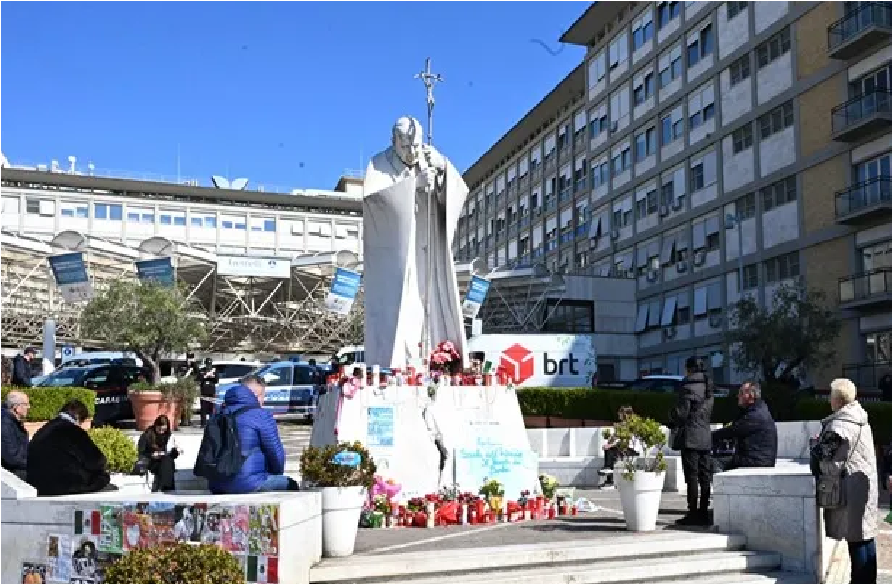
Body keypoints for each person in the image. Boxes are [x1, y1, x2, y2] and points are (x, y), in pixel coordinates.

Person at [362, 116, 469, 369]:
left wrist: (442, 170)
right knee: (405, 303)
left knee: (432, 295)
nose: (412, 152)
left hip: (429, 243)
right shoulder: (378, 165)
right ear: (393, 142)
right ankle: (401, 362)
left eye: (415, 146)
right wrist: (412, 186)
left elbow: (458, 191)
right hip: (399, 251)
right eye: (405, 146)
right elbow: (375, 202)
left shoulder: (429, 157)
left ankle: (439, 356)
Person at [810, 378, 879, 584]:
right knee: (866, 536)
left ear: (837, 401)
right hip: (864, 487)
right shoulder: (861, 419)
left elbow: (822, 456)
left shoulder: (839, 425)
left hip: (848, 489)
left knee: (855, 540)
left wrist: (814, 443)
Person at [207, 375, 297, 494]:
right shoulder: (262, 416)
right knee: (291, 484)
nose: (262, 401)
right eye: (261, 396)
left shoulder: (218, 415)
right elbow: (276, 454)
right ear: (254, 396)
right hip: (250, 484)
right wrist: (275, 474)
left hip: (216, 485)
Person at [27, 400, 111, 496]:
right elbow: (95, 460)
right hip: (65, 484)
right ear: (78, 417)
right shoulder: (73, 430)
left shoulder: (43, 429)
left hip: (37, 484)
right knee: (102, 477)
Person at [668, 356, 715, 526]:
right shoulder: (708, 386)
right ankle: (704, 511)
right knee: (705, 476)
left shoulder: (687, 386)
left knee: (692, 477)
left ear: (689, 369)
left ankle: (693, 512)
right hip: (705, 436)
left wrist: (671, 417)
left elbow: (682, 413)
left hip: (690, 437)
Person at [711, 381, 778, 472]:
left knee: (714, 462)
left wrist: (709, 436)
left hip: (756, 461)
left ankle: (718, 486)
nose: (738, 396)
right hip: (758, 458)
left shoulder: (755, 415)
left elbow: (733, 431)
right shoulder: (758, 409)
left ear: (751, 396)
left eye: (741, 393)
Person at [136, 415, 180, 492]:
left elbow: (172, 455)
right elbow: (141, 452)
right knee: (167, 463)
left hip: (164, 461)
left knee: (167, 461)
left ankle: (166, 488)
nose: (161, 432)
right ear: (155, 426)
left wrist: (175, 451)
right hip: (151, 461)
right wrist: (152, 455)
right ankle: (168, 489)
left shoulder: (168, 436)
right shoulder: (147, 435)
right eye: (159, 429)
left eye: (163, 430)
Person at [600, 406, 640, 489]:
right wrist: (610, 440)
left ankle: (609, 478)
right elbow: (615, 439)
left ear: (625, 414)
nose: (619, 416)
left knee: (610, 451)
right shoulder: (620, 425)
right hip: (622, 448)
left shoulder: (631, 425)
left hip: (631, 450)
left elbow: (625, 442)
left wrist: (611, 445)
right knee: (609, 450)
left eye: (620, 414)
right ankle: (609, 479)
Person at [1, 390, 30, 480]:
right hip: (12, 473)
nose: (28, 407)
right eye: (25, 404)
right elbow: (12, 459)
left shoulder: (13, 422)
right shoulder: (5, 425)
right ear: (16, 407)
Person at [198, 358, 219, 428]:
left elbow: (216, 380)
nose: (208, 366)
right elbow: (200, 379)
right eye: (207, 364)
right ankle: (203, 423)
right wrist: (206, 375)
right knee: (203, 409)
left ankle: (211, 423)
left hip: (211, 391)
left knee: (211, 408)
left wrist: (212, 376)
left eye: (210, 364)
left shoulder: (214, 370)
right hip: (204, 391)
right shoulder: (202, 370)